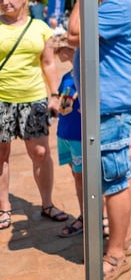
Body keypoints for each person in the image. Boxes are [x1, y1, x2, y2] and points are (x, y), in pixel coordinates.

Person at [67, 0, 131, 280]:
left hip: (113, 103)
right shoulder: (113, 7)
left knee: (112, 176)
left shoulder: (119, 4)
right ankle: (123, 240)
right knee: (115, 174)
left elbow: (75, 33)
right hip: (107, 102)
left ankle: (115, 256)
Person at [0, 0, 66, 231]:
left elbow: (48, 63)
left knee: (40, 153)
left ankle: (47, 204)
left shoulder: (39, 27)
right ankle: (4, 206)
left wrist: (54, 94)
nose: (5, 2)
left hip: (34, 99)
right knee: (1, 155)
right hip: (2, 99)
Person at [51, 34, 83, 237]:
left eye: (60, 50)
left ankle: (89, 217)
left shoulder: (86, 76)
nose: (57, 54)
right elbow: (63, 102)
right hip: (65, 133)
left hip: (79, 136)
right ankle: (85, 215)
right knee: (76, 175)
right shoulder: (67, 77)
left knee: (83, 177)